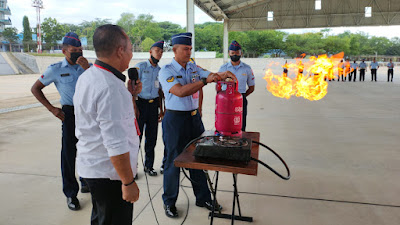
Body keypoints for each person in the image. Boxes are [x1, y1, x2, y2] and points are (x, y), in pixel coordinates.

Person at [159, 32, 236, 218]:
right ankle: (169, 201)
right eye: (185, 49)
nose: (189, 51)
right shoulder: (166, 70)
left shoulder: (193, 67)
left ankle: (203, 198)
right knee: (173, 161)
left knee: (199, 158)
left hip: (194, 119)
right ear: (175, 50)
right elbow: (179, 91)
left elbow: (209, 75)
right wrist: (204, 81)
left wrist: (220, 75)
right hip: (175, 120)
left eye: (190, 48)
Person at [73, 24, 141, 225]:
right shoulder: (110, 88)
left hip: (95, 168)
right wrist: (128, 182)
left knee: (102, 218)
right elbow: (115, 143)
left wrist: (131, 96)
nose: (131, 54)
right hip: (110, 175)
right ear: (120, 51)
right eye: (130, 49)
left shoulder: (89, 76)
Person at [31, 32, 90, 211]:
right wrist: (52, 109)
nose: (78, 53)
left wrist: (88, 69)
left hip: (88, 114)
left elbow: (99, 83)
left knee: (88, 150)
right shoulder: (55, 69)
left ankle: (86, 180)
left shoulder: (88, 67)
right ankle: (71, 193)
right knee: (69, 154)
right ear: (64, 51)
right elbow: (36, 88)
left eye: (80, 50)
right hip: (70, 114)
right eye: (74, 50)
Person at [134, 40, 165, 176]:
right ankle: (132, 169)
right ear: (150, 52)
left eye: (161, 51)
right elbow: (132, 88)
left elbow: (160, 92)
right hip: (140, 105)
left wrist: (161, 110)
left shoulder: (160, 71)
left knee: (151, 138)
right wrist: (134, 106)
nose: (159, 53)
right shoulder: (140, 67)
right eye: (157, 50)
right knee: (136, 139)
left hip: (153, 106)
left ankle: (149, 166)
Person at [219, 40, 255, 131]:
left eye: (237, 53)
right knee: (225, 121)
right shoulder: (223, 68)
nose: (235, 55)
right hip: (225, 99)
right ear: (229, 53)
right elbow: (218, 84)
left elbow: (251, 87)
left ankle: (240, 142)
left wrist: (241, 97)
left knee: (240, 123)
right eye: (233, 53)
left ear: (241, 53)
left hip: (240, 98)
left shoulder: (247, 68)